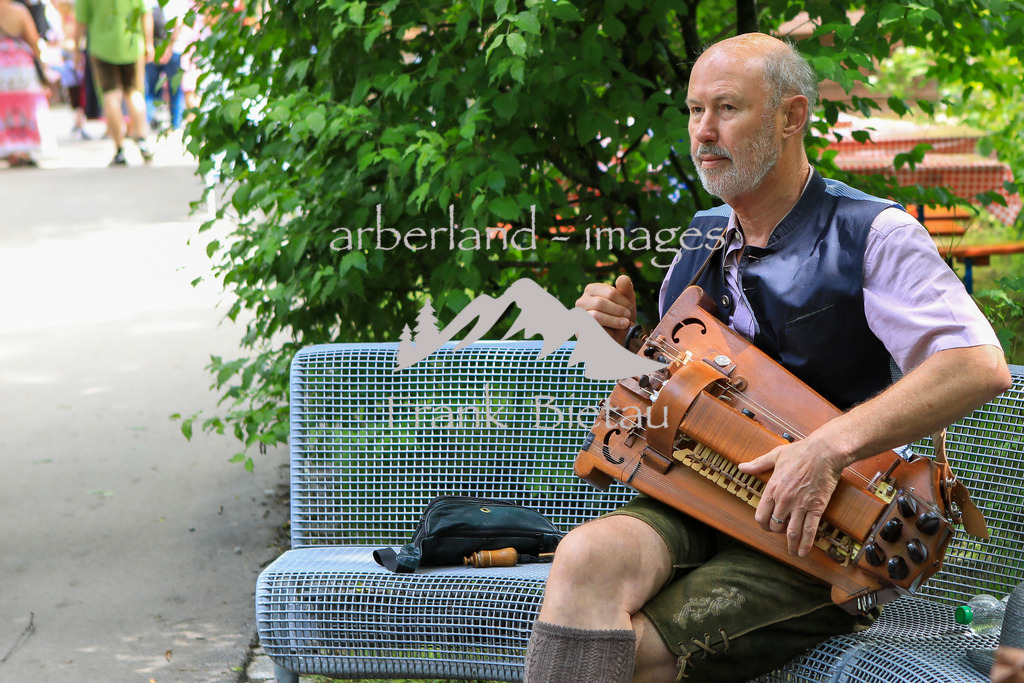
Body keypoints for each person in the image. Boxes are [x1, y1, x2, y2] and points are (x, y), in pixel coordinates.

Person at [525, 33, 1013, 683]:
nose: (703, 131)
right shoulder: (701, 235)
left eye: (726, 108)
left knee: (619, 659)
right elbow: (667, 380)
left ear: (791, 116)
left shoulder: (871, 233)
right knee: (585, 557)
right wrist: (615, 341)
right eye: (695, 110)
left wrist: (826, 447)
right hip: (692, 495)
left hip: (827, 533)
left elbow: (977, 363)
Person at [73, 0, 154, 166]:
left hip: (101, 47)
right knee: (134, 92)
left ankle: (119, 149)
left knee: (110, 95)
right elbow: (146, 12)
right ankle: (142, 139)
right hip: (132, 43)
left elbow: (81, 21)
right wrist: (149, 42)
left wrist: (75, 49)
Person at [0, 0, 54, 167]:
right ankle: (22, 150)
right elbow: (32, 39)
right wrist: (42, 64)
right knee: (24, 107)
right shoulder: (19, 11)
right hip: (21, 66)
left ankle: (7, 148)